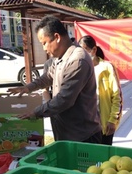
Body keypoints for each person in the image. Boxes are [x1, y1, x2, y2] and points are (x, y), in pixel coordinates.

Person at [7, 15, 102, 143]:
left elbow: (64, 100)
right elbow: (47, 77)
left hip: (83, 136)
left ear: (57, 37)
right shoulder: (59, 58)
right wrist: (27, 88)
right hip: (66, 133)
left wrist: (35, 112)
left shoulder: (77, 60)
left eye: (45, 43)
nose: (44, 48)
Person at [78, 35, 123, 145]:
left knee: (105, 159)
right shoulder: (79, 69)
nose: (82, 55)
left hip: (104, 125)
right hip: (86, 126)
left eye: (85, 51)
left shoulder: (107, 68)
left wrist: (112, 120)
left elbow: (117, 96)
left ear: (93, 50)